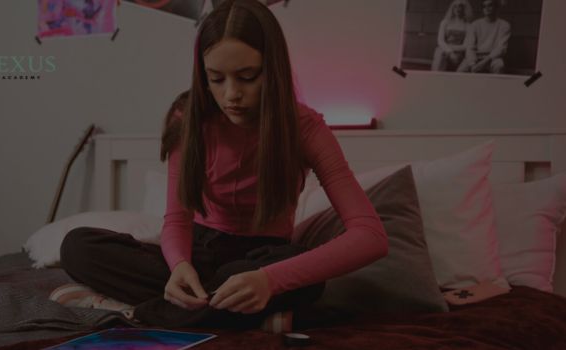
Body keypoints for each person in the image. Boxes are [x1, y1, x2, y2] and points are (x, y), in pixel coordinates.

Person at [56, 0, 387, 329]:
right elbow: (177, 219)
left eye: (246, 77)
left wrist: (270, 280)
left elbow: (371, 236)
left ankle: (149, 313)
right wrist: (179, 265)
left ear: (272, 69)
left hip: (261, 259)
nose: (231, 95)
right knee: (77, 247)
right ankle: (228, 310)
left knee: (306, 280)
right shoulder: (187, 119)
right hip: (200, 253)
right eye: (216, 79)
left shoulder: (304, 127)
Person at [457, 0, 511, 74]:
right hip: (476, 56)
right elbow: (470, 47)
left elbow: (501, 48)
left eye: (490, 5)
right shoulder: (475, 24)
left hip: (493, 58)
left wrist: (484, 62)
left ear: (496, 7)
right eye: (484, 6)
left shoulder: (504, 25)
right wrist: (473, 64)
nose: (487, 8)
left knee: (499, 66)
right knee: (460, 71)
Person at [431, 0, 473, 71]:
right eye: (455, 6)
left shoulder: (468, 25)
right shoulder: (445, 22)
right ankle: (436, 78)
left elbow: (465, 46)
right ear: (452, 8)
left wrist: (451, 49)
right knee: (440, 54)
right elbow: (440, 41)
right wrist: (449, 52)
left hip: (459, 53)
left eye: (460, 6)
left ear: (464, 9)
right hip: (444, 49)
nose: (457, 9)